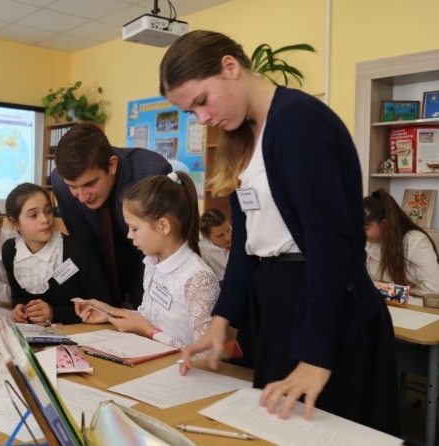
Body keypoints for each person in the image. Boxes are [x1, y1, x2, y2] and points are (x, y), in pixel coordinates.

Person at [161, 30, 399, 435]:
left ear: (230, 67)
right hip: (277, 306)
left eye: (201, 101)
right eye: (191, 112)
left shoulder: (297, 121)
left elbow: (329, 245)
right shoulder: (243, 137)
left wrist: (315, 355)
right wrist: (221, 321)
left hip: (322, 308)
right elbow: (246, 247)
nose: (203, 118)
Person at [75, 172, 219, 349]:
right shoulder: (152, 263)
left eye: (134, 228)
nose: (129, 235)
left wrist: (150, 331)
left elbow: (207, 354)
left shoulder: (198, 278)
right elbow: (148, 318)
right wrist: (109, 313)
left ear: (163, 226)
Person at [51, 122, 172, 309]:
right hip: (103, 277)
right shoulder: (60, 182)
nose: (82, 197)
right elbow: (85, 247)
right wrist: (100, 304)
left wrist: (141, 311)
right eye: (73, 187)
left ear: (112, 165)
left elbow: (158, 252)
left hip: (150, 271)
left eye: (90, 184)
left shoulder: (150, 172)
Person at [2, 183, 114, 325]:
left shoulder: (79, 251)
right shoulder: (10, 250)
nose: (45, 219)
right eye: (34, 215)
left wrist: (54, 313)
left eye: (48, 211)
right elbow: (18, 295)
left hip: (79, 331)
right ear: (14, 223)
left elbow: (104, 307)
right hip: (36, 333)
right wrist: (19, 308)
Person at [363, 188, 439, 302]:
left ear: (385, 224)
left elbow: (434, 290)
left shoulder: (414, 241)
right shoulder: (369, 242)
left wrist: (389, 291)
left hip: (414, 308)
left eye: (365, 228)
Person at [198, 208, 231, 281]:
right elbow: (232, 273)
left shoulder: (223, 229)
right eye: (220, 235)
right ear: (207, 237)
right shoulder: (209, 251)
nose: (228, 237)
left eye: (228, 230)